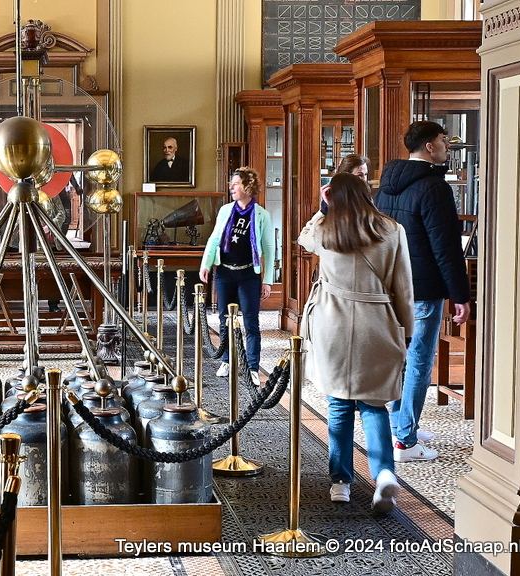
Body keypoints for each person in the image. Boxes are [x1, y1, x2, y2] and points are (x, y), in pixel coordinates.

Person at [299, 173, 414, 512]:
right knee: (374, 405)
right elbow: (403, 287)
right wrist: (406, 330)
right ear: (367, 193)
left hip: (332, 326)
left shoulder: (326, 229)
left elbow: (302, 239)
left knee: (338, 405)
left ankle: (340, 482)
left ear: (333, 195)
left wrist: (322, 208)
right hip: (375, 325)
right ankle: (383, 475)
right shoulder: (392, 231)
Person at [375, 121, 471, 463]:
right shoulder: (434, 188)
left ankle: (401, 423)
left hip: (389, 286)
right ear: (430, 146)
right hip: (424, 287)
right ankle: (405, 440)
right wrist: (461, 294)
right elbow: (445, 247)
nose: (447, 145)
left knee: (398, 359)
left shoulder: (385, 187)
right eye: (444, 140)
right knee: (418, 361)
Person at [199, 167, 276, 382]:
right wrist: (205, 264)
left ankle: (252, 366)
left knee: (251, 322)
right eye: (231, 184)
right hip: (225, 273)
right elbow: (214, 239)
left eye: (235, 184)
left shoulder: (262, 215)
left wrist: (268, 280)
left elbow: (269, 248)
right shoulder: (225, 210)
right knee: (224, 319)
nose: (231, 187)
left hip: (249, 274)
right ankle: (226, 359)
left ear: (248, 186)